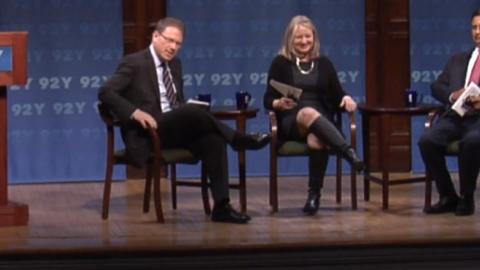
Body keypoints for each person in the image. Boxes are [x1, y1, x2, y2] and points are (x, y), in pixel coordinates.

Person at [98, 17, 270, 224]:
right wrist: (135, 112)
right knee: (191, 112)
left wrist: (186, 106)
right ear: (155, 36)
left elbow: (176, 101)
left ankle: (221, 207)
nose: (173, 47)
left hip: (173, 129)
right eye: (169, 40)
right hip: (148, 132)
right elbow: (105, 92)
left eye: (178, 44)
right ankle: (237, 139)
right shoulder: (134, 62)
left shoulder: (176, 64)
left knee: (213, 140)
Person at [263, 15, 364, 215]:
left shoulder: (324, 63)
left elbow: (338, 94)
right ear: (290, 39)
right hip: (292, 121)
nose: (304, 41)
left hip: (322, 122)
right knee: (308, 112)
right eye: (299, 37)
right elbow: (268, 99)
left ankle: (313, 196)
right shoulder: (281, 63)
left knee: (317, 140)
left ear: (314, 37)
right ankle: (347, 152)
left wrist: (346, 100)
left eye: (308, 37)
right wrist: (278, 103)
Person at [419, 9, 480, 216]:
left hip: (478, 120)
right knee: (427, 141)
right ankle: (448, 196)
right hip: (455, 117)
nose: (477, 32)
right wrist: (453, 96)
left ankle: (467, 197)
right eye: (474, 27)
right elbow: (436, 86)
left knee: (471, 142)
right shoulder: (458, 59)